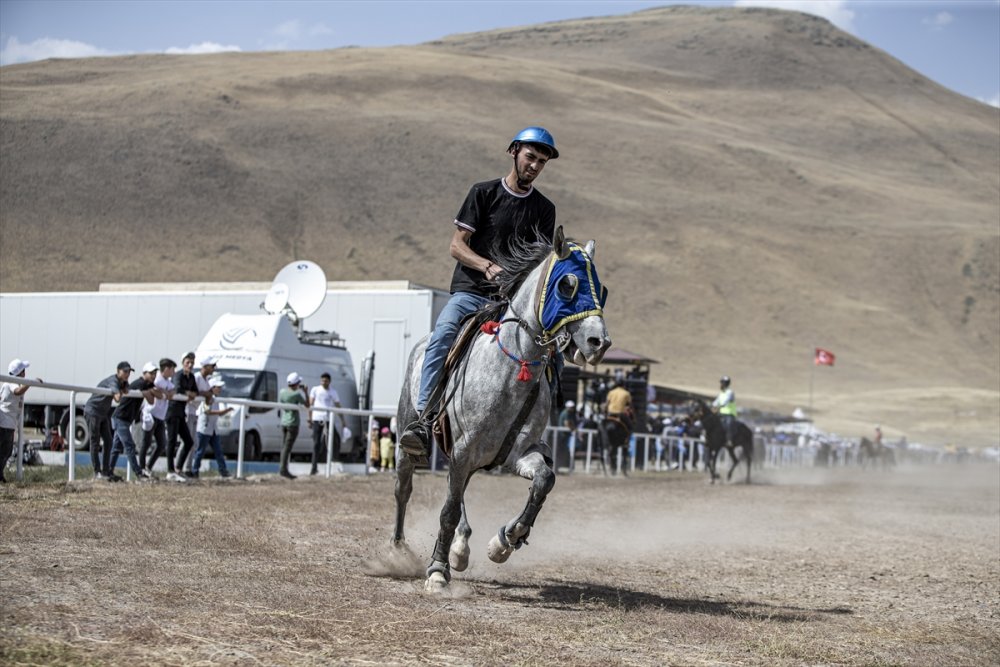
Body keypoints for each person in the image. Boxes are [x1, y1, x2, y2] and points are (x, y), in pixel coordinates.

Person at [399, 126, 559, 457]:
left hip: (511, 303)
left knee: (551, 353)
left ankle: (529, 430)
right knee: (443, 334)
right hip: (471, 292)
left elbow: (540, 262)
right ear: (514, 152)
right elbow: (457, 246)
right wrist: (486, 266)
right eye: (530, 157)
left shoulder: (544, 209)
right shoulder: (483, 193)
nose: (534, 166)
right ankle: (421, 420)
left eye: (542, 162)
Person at [84, 361, 131, 481]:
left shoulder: (121, 382)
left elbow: (127, 389)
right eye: (125, 371)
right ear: (118, 371)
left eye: (129, 371)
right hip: (93, 411)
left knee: (108, 441)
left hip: (103, 413)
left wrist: (124, 387)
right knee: (95, 441)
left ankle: (106, 472)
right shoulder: (113, 381)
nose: (127, 374)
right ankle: (97, 472)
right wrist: (121, 390)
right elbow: (117, 399)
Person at [109, 361, 155, 480]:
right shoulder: (140, 383)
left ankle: (108, 471)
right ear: (144, 373)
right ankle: (139, 473)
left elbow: (154, 397)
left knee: (116, 447)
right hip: (120, 418)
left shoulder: (146, 384)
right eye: (151, 373)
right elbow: (151, 398)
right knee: (129, 446)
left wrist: (149, 392)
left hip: (125, 419)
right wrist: (147, 393)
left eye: (155, 373)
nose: (154, 375)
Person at [176, 355, 216, 476]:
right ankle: (178, 467)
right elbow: (196, 393)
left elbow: (203, 396)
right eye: (212, 366)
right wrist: (206, 394)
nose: (214, 368)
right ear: (205, 366)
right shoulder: (197, 377)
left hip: (195, 412)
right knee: (186, 442)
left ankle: (187, 468)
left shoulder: (204, 379)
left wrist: (208, 395)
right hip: (188, 410)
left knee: (193, 442)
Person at [1, 359, 40, 483]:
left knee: (6, 452)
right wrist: (30, 383)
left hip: (9, 422)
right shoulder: (12, 383)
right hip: (5, 422)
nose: (25, 373)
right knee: (4, 451)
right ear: (19, 372)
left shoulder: (13, 382)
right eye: (23, 370)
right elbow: (17, 392)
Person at [139, 358, 176, 478]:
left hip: (160, 416)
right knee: (146, 443)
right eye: (172, 369)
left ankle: (148, 468)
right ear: (166, 369)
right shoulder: (158, 379)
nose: (173, 372)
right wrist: (165, 393)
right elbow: (155, 390)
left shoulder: (167, 380)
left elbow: (172, 391)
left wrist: (164, 393)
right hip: (150, 414)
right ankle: (141, 469)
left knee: (161, 444)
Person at [192, 376, 233, 478]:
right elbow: (207, 411)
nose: (220, 389)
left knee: (218, 451)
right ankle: (195, 470)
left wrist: (223, 412)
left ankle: (223, 471)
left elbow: (214, 413)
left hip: (213, 429)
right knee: (200, 451)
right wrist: (222, 412)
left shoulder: (214, 399)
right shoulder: (207, 398)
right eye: (217, 387)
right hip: (204, 429)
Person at [166, 352, 198, 482]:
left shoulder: (191, 377)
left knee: (188, 441)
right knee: (171, 441)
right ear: (183, 363)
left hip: (180, 412)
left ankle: (178, 469)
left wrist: (190, 393)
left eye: (192, 363)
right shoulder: (178, 375)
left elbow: (196, 392)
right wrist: (188, 393)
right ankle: (170, 471)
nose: (190, 365)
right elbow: (177, 388)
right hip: (172, 411)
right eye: (187, 362)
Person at [308, 372, 342, 475]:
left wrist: (343, 420)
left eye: (326, 381)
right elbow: (311, 404)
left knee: (335, 439)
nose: (324, 382)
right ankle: (314, 467)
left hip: (328, 419)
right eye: (322, 380)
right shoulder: (315, 390)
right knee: (316, 443)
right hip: (317, 418)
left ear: (329, 381)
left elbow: (338, 406)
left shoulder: (333, 392)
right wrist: (309, 419)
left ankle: (333, 459)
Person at [278, 372, 307, 479]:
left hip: (284, 422)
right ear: (297, 383)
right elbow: (307, 404)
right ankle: (283, 470)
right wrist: (305, 392)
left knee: (284, 446)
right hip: (293, 423)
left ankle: (283, 468)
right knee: (287, 447)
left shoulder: (282, 392)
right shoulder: (297, 394)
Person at [711, 375, 737, 443]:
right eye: (721, 383)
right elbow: (716, 401)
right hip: (721, 414)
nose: (721, 384)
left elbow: (725, 402)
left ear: (726, 384)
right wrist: (713, 406)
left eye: (722, 383)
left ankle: (729, 440)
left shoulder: (730, 392)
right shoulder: (721, 393)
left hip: (729, 414)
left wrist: (718, 407)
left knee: (728, 425)